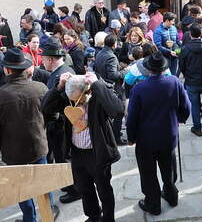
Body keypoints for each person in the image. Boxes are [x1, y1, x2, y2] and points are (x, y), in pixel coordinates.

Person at [42, 72, 124, 222]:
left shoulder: (98, 98)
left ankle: (108, 218)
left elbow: (118, 110)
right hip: (77, 153)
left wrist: (98, 84)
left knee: (104, 189)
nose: (74, 103)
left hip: (98, 152)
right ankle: (93, 216)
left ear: (87, 91)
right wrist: (59, 87)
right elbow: (46, 107)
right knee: (84, 188)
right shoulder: (68, 99)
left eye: (78, 99)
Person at [126, 51, 190, 215]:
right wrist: (180, 118)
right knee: (169, 168)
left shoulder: (139, 88)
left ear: (148, 70)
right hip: (168, 135)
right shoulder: (174, 82)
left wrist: (131, 137)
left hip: (146, 140)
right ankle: (171, 195)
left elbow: (132, 117)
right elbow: (186, 107)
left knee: (148, 174)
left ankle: (153, 204)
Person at [0, 48, 59, 222]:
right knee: (43, 183)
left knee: (22, 189)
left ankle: (30, 218)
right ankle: (48, 214)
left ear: (7, 69)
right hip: (38, 145)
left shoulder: (1, 96)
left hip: (13, 153)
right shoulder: (40, 88)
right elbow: (53, 116)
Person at [40, 37, 81, 204]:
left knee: (63, 157)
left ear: (50, 60)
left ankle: (75, 190)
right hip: (61, 123)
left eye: (43, 59)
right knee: (61, 156)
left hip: (61, 124)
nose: (42, 63)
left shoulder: (60, 76)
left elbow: (49, 105)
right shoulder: (63, 70)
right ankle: (69, 184)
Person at [179, 23, 202, 136]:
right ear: (201, 33)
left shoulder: (185, 49)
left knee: (195, 105)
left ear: (190, 34)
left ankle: (197, 128)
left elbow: (182, 66)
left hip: (192, 81)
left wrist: (186, 75)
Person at [95, 34, 127, 145]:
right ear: (114, 44)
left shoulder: (100, 53)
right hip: (112, 88)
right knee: (119, 112)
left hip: (102, 86)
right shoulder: (111, 56)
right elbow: (113, 74)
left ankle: (112, 134)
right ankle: (116, 137)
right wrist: (124, 72)